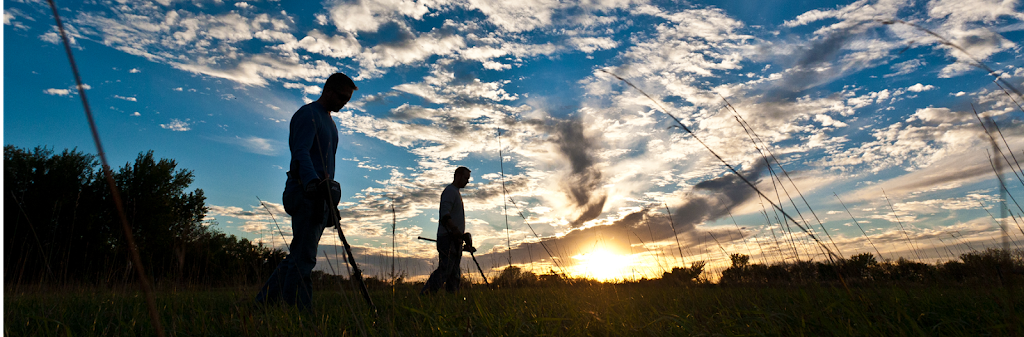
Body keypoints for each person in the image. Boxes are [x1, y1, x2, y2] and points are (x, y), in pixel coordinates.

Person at [255, 73, 357, 310]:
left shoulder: (331, 123)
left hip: (321, 197)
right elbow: (300, 152)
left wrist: (330, 199)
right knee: (304, 258)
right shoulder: (308, 115)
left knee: (298, 256)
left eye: (348, 100)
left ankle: (263, 303)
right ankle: (300, 313)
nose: (344, 103)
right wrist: (313, 184)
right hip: (304, 192)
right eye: (342, 97)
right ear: (328, 90)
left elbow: (326, 166)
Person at [421, 166, 477, 294]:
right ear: (457, 175)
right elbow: (444, 216)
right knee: (445, 270)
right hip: (448, 239)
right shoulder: (450, 191)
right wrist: (455, 231)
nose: (467, 182)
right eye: (465, 178)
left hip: (455, 239)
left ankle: (453, 301)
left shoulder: (455, 192)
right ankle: (425, 295)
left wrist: (461, 236)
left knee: (454, 274)